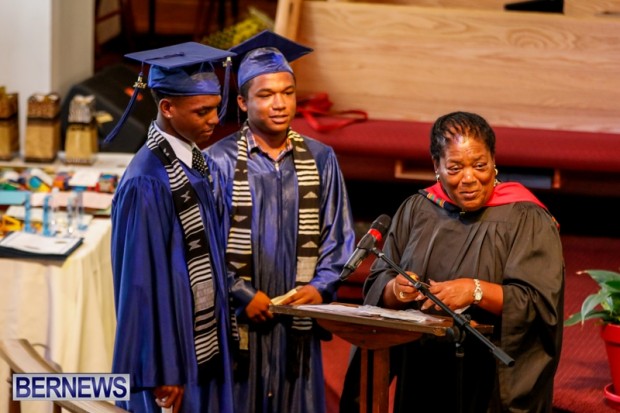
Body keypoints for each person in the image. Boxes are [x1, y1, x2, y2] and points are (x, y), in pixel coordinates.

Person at [340, 111, 564, 412]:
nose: (469, 178)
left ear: (494, 161)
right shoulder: (417, 209)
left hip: (487, 380)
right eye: (455, 168)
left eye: (480, 165)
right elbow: (379, 283)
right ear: (437, 166)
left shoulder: (525, 217)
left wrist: (475, 291)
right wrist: (395, 290)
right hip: (422, 374)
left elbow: (539, 305)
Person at [206, 30, 356, 413]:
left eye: (288, 92)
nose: (279, 104)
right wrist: (241, 294)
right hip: (240, 321)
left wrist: (320, 288)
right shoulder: (217, 162)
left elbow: (339, 238)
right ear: (242, 102)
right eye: (266, 94)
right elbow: (204, 246)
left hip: (297, 325)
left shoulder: (321, 158)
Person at [108, 42, 239, 413]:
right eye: (202, 111)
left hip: (197, 336)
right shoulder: (147, 181)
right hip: (172, 353)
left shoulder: (191, 161)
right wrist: (160, 369)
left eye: (215, 108)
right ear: (167, 107)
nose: (214, 120)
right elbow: (138, 284)